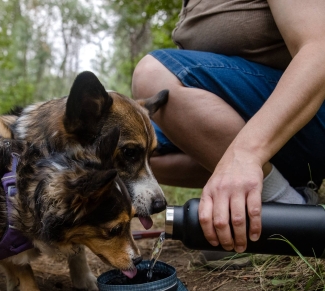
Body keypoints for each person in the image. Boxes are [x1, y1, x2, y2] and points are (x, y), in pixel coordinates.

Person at [132, 0, 325, 255]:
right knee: (135, 152)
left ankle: (285, 206)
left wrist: (245, 154)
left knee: (152, 75)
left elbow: (319, 49)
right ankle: (273, 195)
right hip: (273, 135)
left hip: (310, 116)